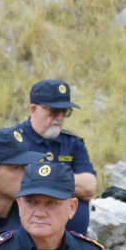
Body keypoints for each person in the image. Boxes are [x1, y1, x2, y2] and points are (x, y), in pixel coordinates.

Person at [13, 79, 96, 234]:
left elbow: (89, 187)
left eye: (65, 112)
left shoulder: (72, 142)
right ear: (34, 109)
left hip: (73, 243)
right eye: (53, 111)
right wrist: (66, 181)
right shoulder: (14, 140)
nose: (59, 117)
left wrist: (39, 178)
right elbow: (13, 184)